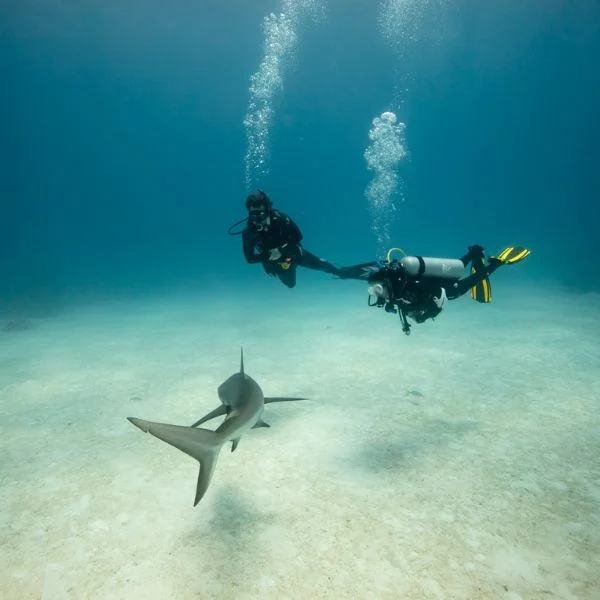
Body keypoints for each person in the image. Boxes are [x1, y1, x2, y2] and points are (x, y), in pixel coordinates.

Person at [365, 244, 531, 335]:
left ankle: (495, 264)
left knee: (471, 280)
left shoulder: (404, 288)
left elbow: (434, 301)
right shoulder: (396, 288)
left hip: (445, 290)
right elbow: (402, 304)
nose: (377, 294)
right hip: (436, 280)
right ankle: (473, 253)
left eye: (376, 290)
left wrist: (426, 316)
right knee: (453, 270)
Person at [229, 190, 363, 288]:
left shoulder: (281, 219)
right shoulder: (248, 232)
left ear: (268, 210)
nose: (257, 218)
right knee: (290, 284)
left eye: (261, 213)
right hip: (272, 262)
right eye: (253, 214)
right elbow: (250, 259)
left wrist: (280, 250)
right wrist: (268, 256)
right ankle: (288, 269)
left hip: (293, 252)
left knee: (323, 266)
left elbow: (299, 237)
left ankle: (346, 272)